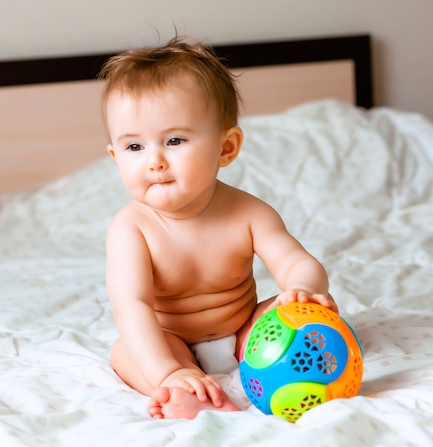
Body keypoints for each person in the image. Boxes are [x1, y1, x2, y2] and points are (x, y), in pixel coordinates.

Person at [99, 36, 338, 420]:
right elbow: (133, 306)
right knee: (126, 351)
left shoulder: (249, 212)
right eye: (134, 148)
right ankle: (183, 386)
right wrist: (168, 369)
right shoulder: (131, 228)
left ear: (226, 148)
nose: (154, 162)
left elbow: (297, 262)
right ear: (115, 156)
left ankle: (279, 371)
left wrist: (303, 291)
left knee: (290, 317)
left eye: (174, 140)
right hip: (170, 342)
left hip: (244, 331)